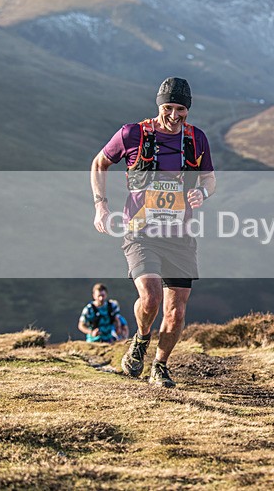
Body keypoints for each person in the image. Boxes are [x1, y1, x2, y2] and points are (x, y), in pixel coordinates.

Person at [90, 77, 216, 388]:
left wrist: (202, 192)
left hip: (180, 236)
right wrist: (101, 206)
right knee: (150, 298)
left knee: (176, 312)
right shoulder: (132, 134)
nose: (174, 116)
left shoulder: (196, 139)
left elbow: (209, 178)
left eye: (181, 109)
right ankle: (141, 337)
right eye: (168, 108)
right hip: (141, 232)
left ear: (188, 109)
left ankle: (160, 366)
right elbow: (99, 163)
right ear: (159, 105)